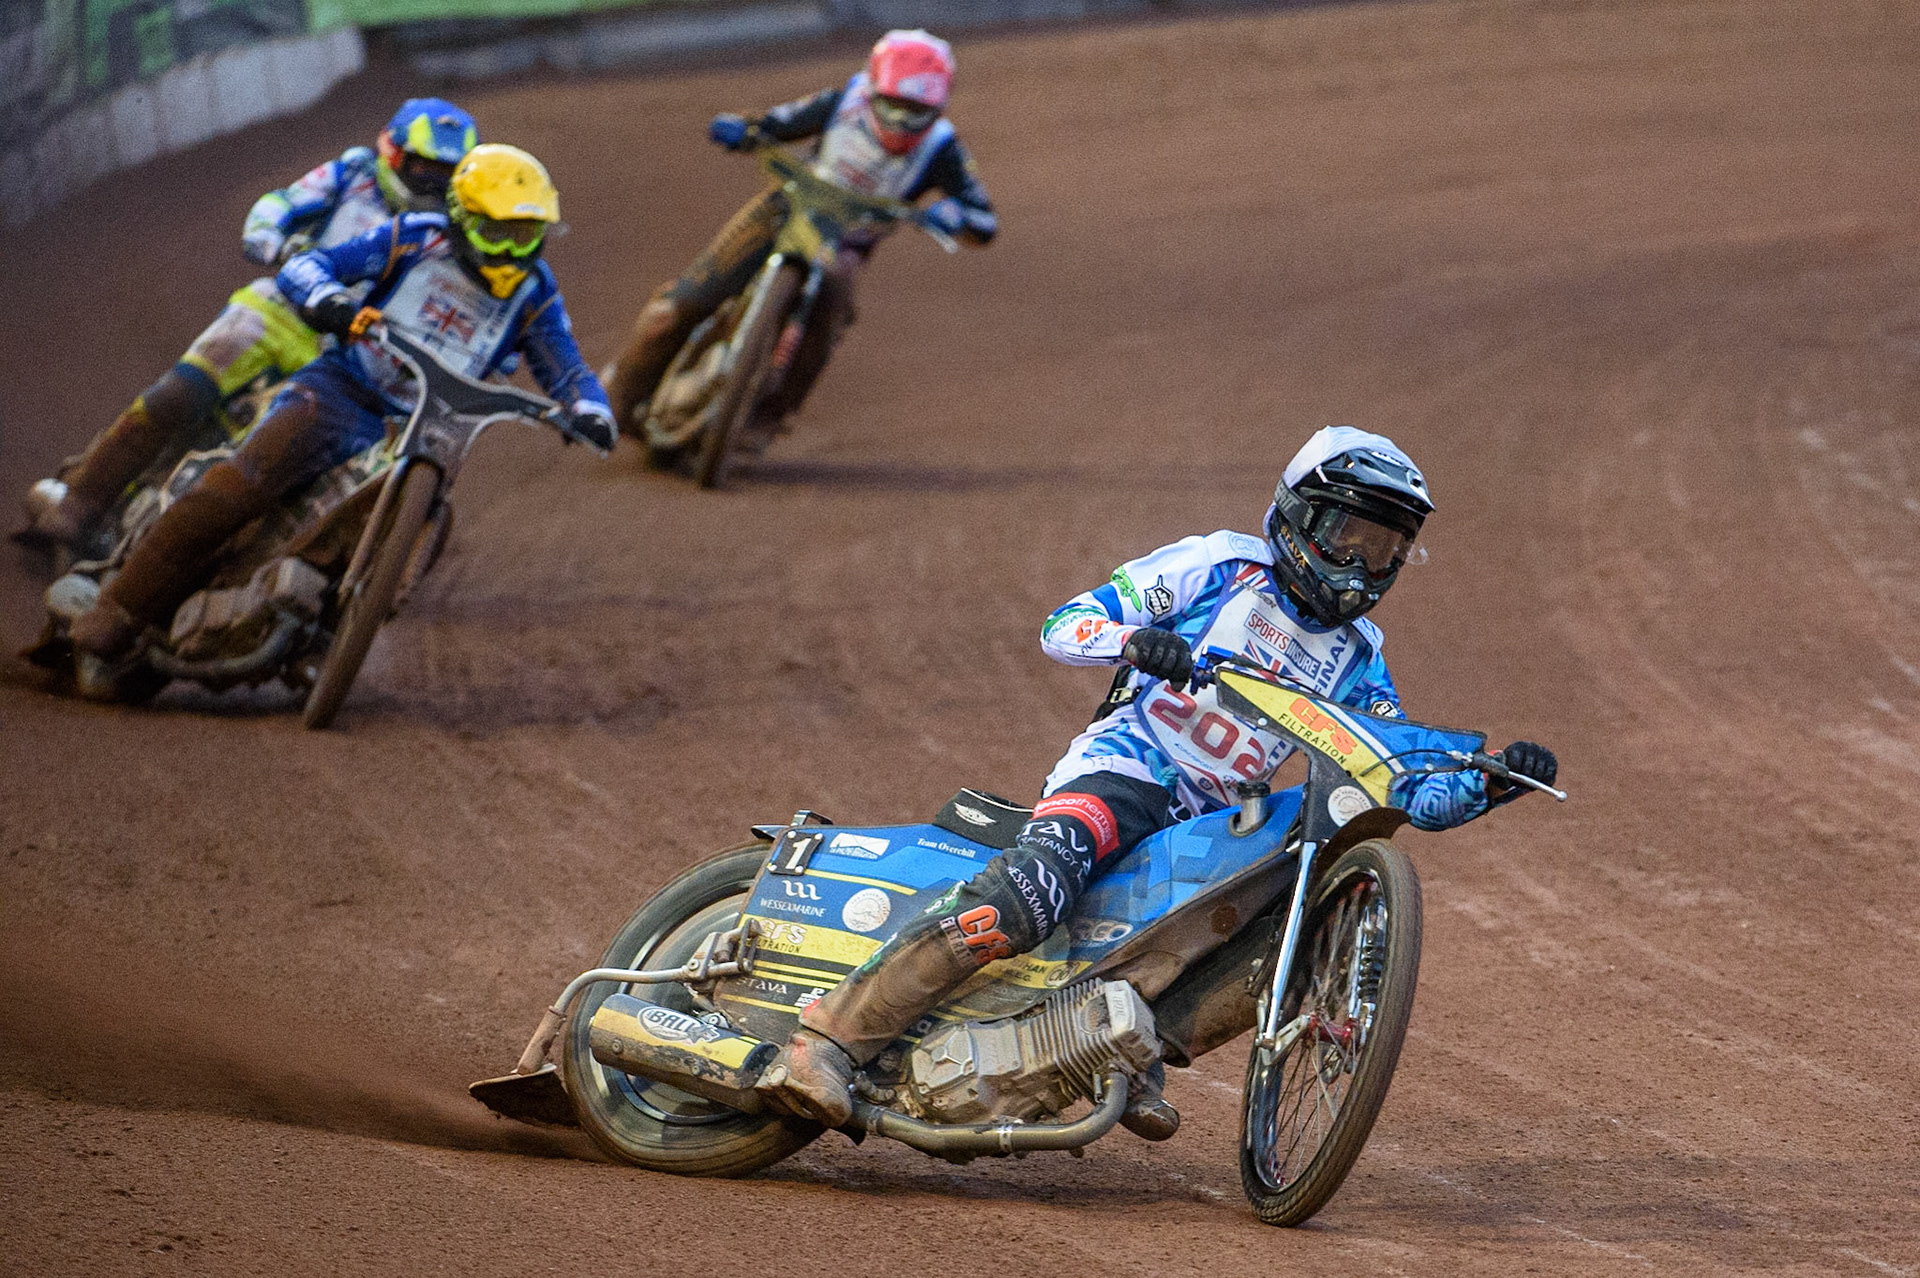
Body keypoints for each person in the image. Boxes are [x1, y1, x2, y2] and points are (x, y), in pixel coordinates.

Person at [757, 426, 1561, 1135]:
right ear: (1297, 516)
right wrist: (1139, 641)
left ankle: (1118, 1049)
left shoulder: (1361, 658)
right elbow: (1063, 627)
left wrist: (1487, 786)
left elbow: (1393, 784)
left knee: (1274, 912)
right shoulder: (1217, 566)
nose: (1359, 564)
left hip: (1212, 826)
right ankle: (829, 1039)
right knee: (1028, 899)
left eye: (1383, 548)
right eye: (1346, 534)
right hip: (1124, 772)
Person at [65, 144, 617, 677]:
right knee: (238, 483)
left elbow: (567, 368)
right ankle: (117, 608)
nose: (513, 250)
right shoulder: (414, 240)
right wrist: (329, 299)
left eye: (528, 235)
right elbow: (311, 267)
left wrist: (591, 409)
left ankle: (329, 626)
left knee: (430, 525)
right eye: (499, 231)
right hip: (343, 390)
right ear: (462, 217)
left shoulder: (536, 293)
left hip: (430, 428)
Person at [19, 98, 480, 551]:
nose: (432, 182)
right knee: (180, 393)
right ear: (393, 153)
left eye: (446, 173)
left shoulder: (456, 233)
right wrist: (271, 239)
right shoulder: (354, 172)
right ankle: (81, 501)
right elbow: (281, 203)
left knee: (268, 471)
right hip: (281, 309)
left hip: (351, 352)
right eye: (424, 167)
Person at [603, 28, 997, 435]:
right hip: (784, 212)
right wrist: (744, 130)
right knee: (675, 310)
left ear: (939, 108)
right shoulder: (842, 103)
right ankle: (618, 401)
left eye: (917, 112)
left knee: (830, 318)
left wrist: (955, 217)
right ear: (873, 90)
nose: (901, 122)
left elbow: (984, 219)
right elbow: (776, 123)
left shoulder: (943, 148)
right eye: (893, 106)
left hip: (844, 246)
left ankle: (770, 416)